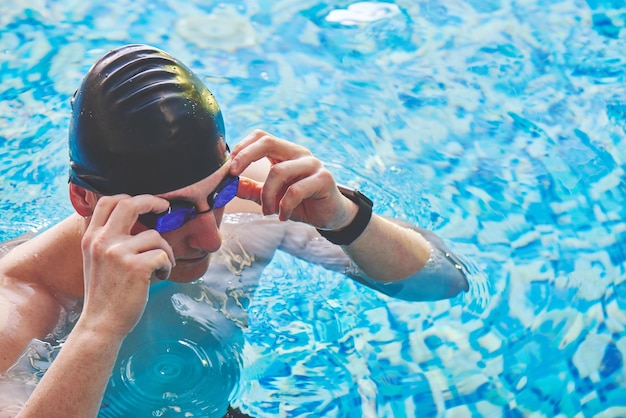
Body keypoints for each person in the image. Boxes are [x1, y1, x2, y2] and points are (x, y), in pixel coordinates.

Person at [0, 44, 469, 417]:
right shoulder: (18, 309)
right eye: (170, 213)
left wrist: (345, 219)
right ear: (84, 199)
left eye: (219, 193)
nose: (211, 239)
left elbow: (444, 282)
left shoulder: (259, 193)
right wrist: (99, 328)